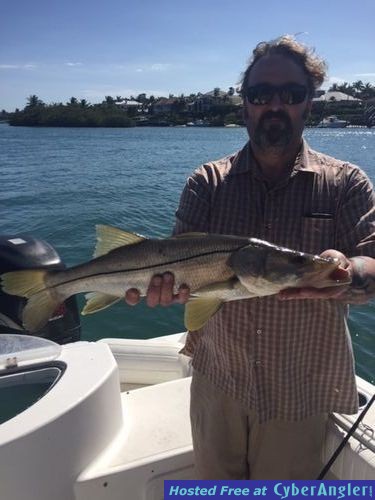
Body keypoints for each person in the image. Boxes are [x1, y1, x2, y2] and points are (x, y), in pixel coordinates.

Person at [125, 35, 375, 479]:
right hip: (217, 381)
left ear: (309, 105)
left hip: (300, 392)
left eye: (291, 94)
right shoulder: (207, 181)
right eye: (261, 94)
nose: (274, 106)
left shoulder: (347, 183)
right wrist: (163, 289)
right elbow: (180, 270)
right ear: (245, 105)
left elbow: (372, 263)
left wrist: (346, 271)